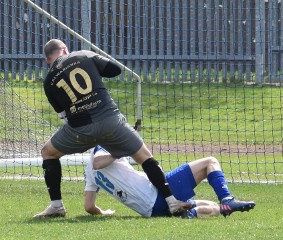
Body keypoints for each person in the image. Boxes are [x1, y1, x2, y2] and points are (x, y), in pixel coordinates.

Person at [34, 39, 190, 218]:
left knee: (48, 152)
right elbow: (115, 70)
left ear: (47, 60)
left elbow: (64, 117)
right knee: (144, 157)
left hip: (80, 130)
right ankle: (172, 201)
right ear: (65, 50)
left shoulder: (48, 82)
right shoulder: (83, 54)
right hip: (111, 121)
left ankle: (56, 206)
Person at [84, 146, 255, 218]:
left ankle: (194, 214)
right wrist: (121, 149)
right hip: (158, 194)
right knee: (210, 162)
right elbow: (98, 161)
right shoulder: (102, 147)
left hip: (152, 212)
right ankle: (227, 199)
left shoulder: (88, 173)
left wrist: (103, 213)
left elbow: (89, 206)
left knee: (210, 204)